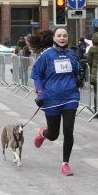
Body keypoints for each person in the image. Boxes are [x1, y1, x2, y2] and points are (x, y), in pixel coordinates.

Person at [30, 27, 84, 176]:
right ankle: (43, 133)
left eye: (65, 36)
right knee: (53, 134)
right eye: (59, 36)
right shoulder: (46, 55)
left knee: (68, 131)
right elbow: (36, 74)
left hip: (70, 97)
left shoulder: (72, 54)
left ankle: (65, 164)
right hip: (52, 98)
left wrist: (80, 77)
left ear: (68, 38)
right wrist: (40, 92)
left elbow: (77, 71)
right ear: (54, 38)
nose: (62, 38)